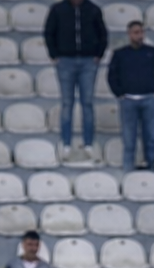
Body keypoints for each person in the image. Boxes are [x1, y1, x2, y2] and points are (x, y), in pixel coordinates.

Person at [44, 0, 108, 165]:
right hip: (65, 60)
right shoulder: (58, 9)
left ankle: (88, 143)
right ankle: (66, 143)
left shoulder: (93, 9)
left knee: (87, 102)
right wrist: (54, 54)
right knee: (67, 103)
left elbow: (102, 33)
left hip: (88, 60)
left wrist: (98, 54)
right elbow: (49, 32)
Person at [107, 20, 154, 170]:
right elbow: (112, 75)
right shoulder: (120, 54)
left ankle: (152, 167)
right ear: (129, 34)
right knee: (129, 139)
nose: (139, 36)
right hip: (128, 100)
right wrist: (119, 93)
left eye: (141, 32)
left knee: (151, 138)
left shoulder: (153, 52)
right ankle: (128, 171)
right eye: (136, 33)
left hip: (149, 99)